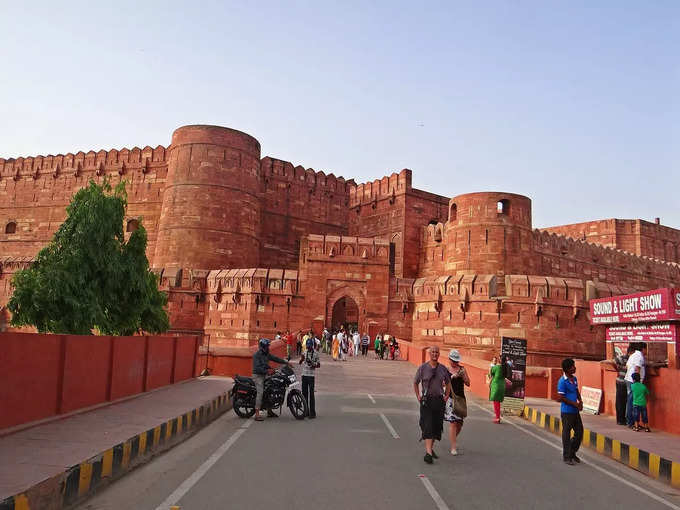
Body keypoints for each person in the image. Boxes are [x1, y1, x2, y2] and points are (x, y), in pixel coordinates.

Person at [413, 346, 451, 464]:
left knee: (436, 426)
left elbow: (448, 383)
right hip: (426, 400)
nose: (435, 354)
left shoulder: (443, 369)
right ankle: (428, 453)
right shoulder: (423, 368)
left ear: (439, 354)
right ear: (429, 354)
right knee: (428, 425)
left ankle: (430, 448)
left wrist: (446, 395)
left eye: (437, 352)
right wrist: (418, 396)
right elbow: (415, 382)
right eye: (433, 352)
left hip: (439, 400)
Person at [252, 338, 289, 421]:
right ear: (263, 347)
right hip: (258, 376)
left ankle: (269, 410)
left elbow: (275, 358)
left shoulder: (266, 354)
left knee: (271, 388)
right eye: (267, 346)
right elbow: (257, 368)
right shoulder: (256, 355)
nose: (268, 347)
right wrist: (268, 372)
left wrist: (285, 362)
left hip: (265, 374)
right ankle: (257, 414)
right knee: (260, 392)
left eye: (268, 346)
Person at [557, 358, 583, 465]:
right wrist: (574, 404)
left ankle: (572, 452)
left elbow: (576, 390)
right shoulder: (562, 381)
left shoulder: (574, 379)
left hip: (575, 411)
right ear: (567, 369)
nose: (574, 368)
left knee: (580, 432)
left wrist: (580, 401)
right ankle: (567, 456)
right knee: (566, 433)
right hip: (567, 412)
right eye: (572, 366)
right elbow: (561, 397)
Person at [444, 350, 470, 455]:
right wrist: (450, 378)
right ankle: (453, 447)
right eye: (453, 360)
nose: (454, 362)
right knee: (453, 422)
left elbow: (468, 383)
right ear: (449, 359)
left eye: (456, 360)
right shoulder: (446, 370)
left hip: (460, 398)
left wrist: (463, 376)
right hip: (450, 398)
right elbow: (442, 383)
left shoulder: (462, 369)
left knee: (460, 424)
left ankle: (453, 439)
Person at [625, 342, 647, 428]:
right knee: (633, 402)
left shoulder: (633, 355)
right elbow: (637, 369)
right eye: (646, 349)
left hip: (629, 379)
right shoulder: (639, 356)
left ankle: (630, 421)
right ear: (643, 349)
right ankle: (632, 422)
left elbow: (627, 366)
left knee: (630, 401)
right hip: (634, 381)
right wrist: (637, 383)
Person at [299, 337, 320, 419]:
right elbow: (301, 362)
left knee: (311, 394)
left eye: (309, 345)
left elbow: (318, 365)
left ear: (312, 345)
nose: (308, 347)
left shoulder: (316, 353)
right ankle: (306, 411)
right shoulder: (305, 352)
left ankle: (312, 412)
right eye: (307, 345)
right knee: (304, 394)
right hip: (304, 375)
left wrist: (312, 364)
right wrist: (301, 359)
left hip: (311, 376)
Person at [488, 354, 505, 423]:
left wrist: (490, 367)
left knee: (496, 402)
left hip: (496, 386)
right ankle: (497, 417)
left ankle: (497, 418)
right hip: (502, 386)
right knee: (498, 402)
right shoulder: (505, 367)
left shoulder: (497, 367)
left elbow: (490, 374)